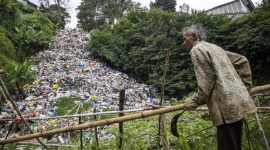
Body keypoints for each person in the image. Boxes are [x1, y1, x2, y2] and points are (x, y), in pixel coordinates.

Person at [182, 24, 257, 150]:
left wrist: (194, 101)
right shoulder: (214, 47)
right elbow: (242, 60)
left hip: (224, 108)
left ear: (193, 37)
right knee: (235, 145)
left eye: (185, 38)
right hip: (235, 103)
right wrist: (245, 87)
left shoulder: (197, 50)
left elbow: (206, 82)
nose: (184, 43)